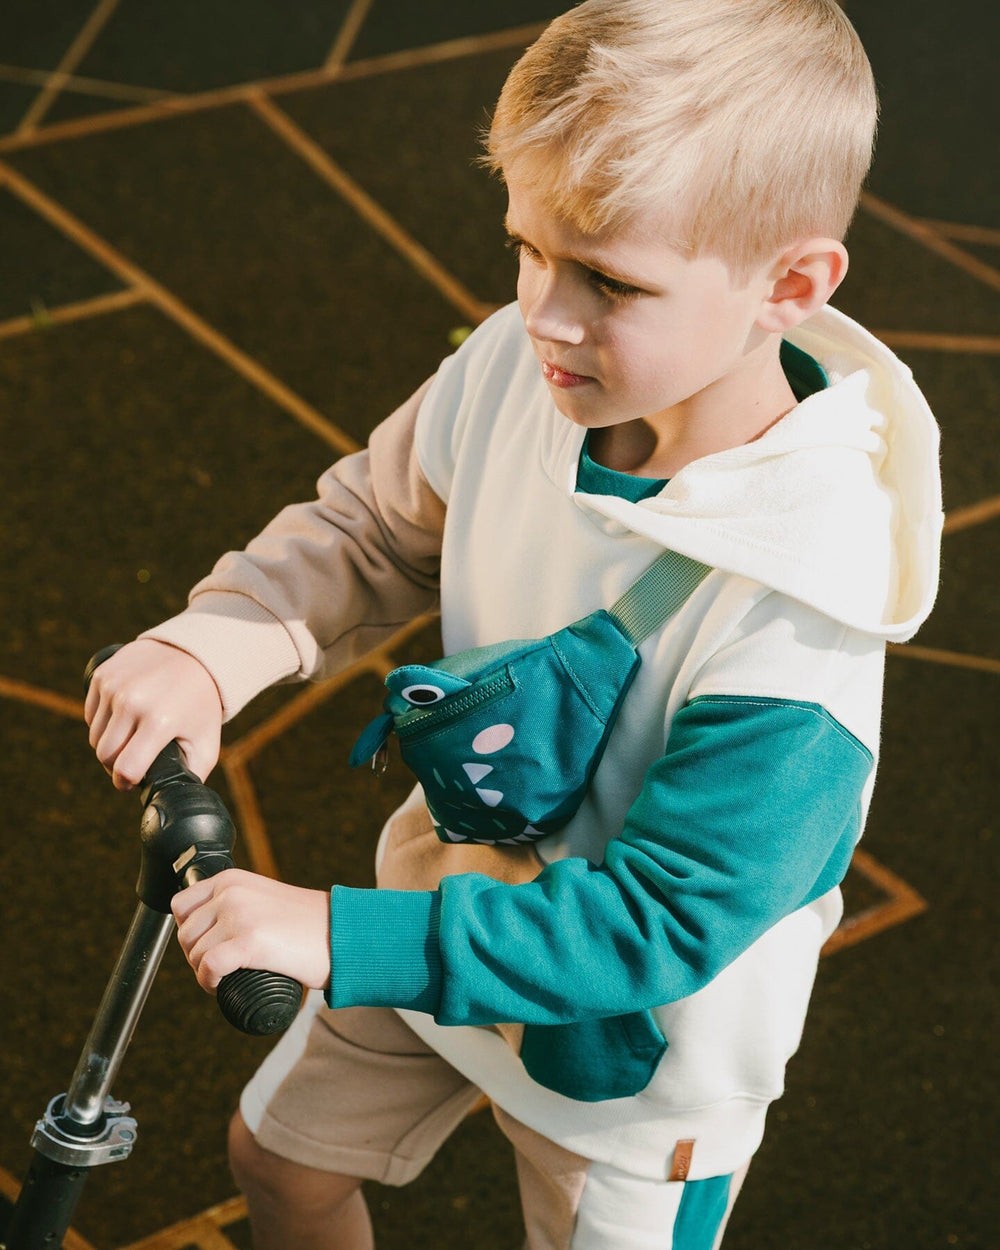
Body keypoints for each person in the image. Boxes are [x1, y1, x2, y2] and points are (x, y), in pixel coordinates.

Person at [84, 1, 943, 1246]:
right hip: (443, 921)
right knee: (279, 1161)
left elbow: (658, 920)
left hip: (634, 1061)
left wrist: (336, 933)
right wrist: (219, 640)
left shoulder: (801, 607)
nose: (545, 310)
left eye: (610, 280)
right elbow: (373, 529)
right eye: (527, 250)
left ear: (790, 286)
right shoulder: (522, 369)